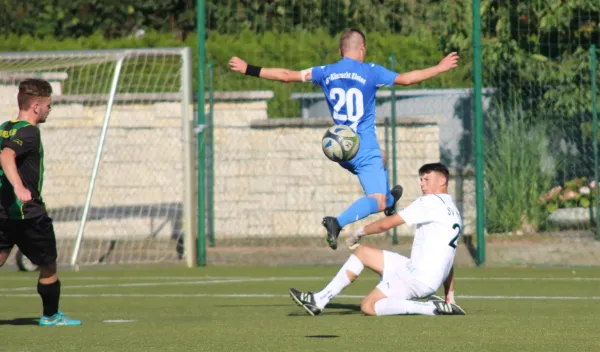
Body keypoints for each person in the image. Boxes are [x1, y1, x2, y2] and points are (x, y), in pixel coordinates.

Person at [229, 28, 460, 250]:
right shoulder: (371, 71)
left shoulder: (325, 71)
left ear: (340, 52)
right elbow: (407, 79)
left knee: (383, 158)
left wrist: (248, 68)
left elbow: (287, 76)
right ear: (362, 49)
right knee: (376, 200)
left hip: (339, 148)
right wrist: (439, 68)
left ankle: (390, 200)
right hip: (362, 147)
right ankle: (338, 222)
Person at [289, 162, 465, 316]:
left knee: (369, 306)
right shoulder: (453, 212)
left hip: (417, 278)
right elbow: (448, 259)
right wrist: (450, 296)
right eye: (421, 180)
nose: (422, 184)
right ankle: (319, 300)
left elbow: (387, 224)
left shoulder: (430, 202)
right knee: (362, 253)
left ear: (442, 181)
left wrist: (360, 232)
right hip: (416, 271)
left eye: (427, 179)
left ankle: (429, 308)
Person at [0, 78, 81, 326]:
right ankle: (51, 315)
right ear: (36, 106)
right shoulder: (30, 131)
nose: (49, 110)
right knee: (48, 265)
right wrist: (19, 186)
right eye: (48, 105)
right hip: (28, 214)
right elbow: (7, 155)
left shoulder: (5, 127)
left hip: (2, 212)